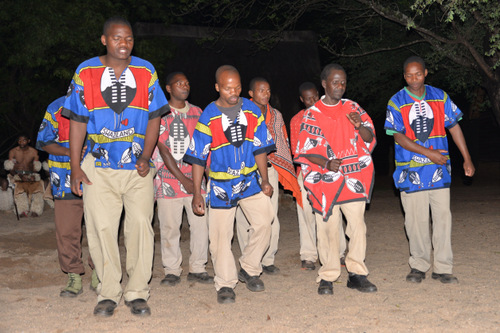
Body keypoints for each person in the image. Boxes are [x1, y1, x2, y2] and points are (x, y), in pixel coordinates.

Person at [62, 17, 169, 317]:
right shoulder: (86, 71)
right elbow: (78, 122)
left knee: (140, 227)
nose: (124, 44)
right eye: (117, 38)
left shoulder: (146, 70)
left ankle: (137, 292)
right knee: (101, 228)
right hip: (98, 164)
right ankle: (108, 291)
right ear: (104, 40)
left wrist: (146, 156)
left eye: (129, 38)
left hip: (137, 167)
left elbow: (154, 117)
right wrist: (75, 166)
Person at [184, 65, 275, 304]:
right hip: (221, 185)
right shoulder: (208, 115)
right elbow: (198, 157)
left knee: (265, 221)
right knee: (220, 236)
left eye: (236, 87)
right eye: (227, 87)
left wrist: (265, 180)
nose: (233, 92)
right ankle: (225, 282)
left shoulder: (253, 110)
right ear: (217, 87)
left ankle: (250, 268)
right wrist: (197, 193)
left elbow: (260, 147)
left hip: (249, 181)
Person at [385, 56, 475, 284]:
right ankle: (419, 265)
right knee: (415, 222)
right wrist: (429, 153)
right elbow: (399, 137)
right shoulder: (396, 101)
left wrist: (467, 158)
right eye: (408, 75)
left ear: (425, 73)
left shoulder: (440, 96)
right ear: (403, 76)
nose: (413, 79)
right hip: (410, 171)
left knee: (443, 219)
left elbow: (454, 127)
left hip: (439, 171)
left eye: (417, 74)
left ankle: (443, 267)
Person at [295, 64, 377, 295]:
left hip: (353, 177)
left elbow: (370, 138)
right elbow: (305, 149)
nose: (339, 86)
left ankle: (357, 273)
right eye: (335, 82)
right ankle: (328, 275)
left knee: (357, 226)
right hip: (324, 180)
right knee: (328, 229)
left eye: (343, 82)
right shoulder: (313, 114)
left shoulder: (353, 107)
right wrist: (325, 163)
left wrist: (359, 125)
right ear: (324, 84)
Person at [152, 72, 213, 286]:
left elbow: (205, 148)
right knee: (170, 227)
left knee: (201, 225)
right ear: (168, 88)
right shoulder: (160, 113)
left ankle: (198, 267)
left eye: (187, 83)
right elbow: (162, 149)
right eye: (179, 83)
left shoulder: (198, 113)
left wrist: (207, 179)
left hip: (196, 180)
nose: (185, 86)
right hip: (167, 180)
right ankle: (172, 270)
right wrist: (183, 180)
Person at [235, 77, 301, 275]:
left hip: (269, 169)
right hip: (246, 171)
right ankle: (249, 257)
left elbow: (281, 141)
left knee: (271, 215)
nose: (266, 94)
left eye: (268, 90)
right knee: (244, 216)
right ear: (251, 94)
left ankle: (267, 258)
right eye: (261, 90)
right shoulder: (240, 113)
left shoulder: (276, 115)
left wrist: (284, 166)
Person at [36, 96, 98, 298]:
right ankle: (73, 274)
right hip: (63, 179)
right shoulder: (56, 107)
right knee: (66, 230)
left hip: (98, 177)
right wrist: (72, 153)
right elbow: (45, 142)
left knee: (100, 227)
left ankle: (100, 270)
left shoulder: (101, 103)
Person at [290, 82, 347, 270]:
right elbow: (297, 152)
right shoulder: (297, 120)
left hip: (331, 171)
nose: (312, 101)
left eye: (315, 96)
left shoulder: (330, 114)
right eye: (308, 98)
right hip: (306, 172)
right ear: (301, 100)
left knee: (333, 210)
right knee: (307, 213)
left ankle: (338, 252)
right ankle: (308, 254)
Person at [4, 135, 44, 217]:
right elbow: (10, 167)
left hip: (30, 174)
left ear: (28, 141)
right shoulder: (13, 151)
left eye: (24, 140)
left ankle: (36, 210)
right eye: (19, 140)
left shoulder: (33, 152)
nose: (21, 142)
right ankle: (22, 210)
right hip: (16, 174)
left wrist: (33, 175)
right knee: (19, 187)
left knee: (38, 187)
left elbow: (36, 166)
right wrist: (19, 176)